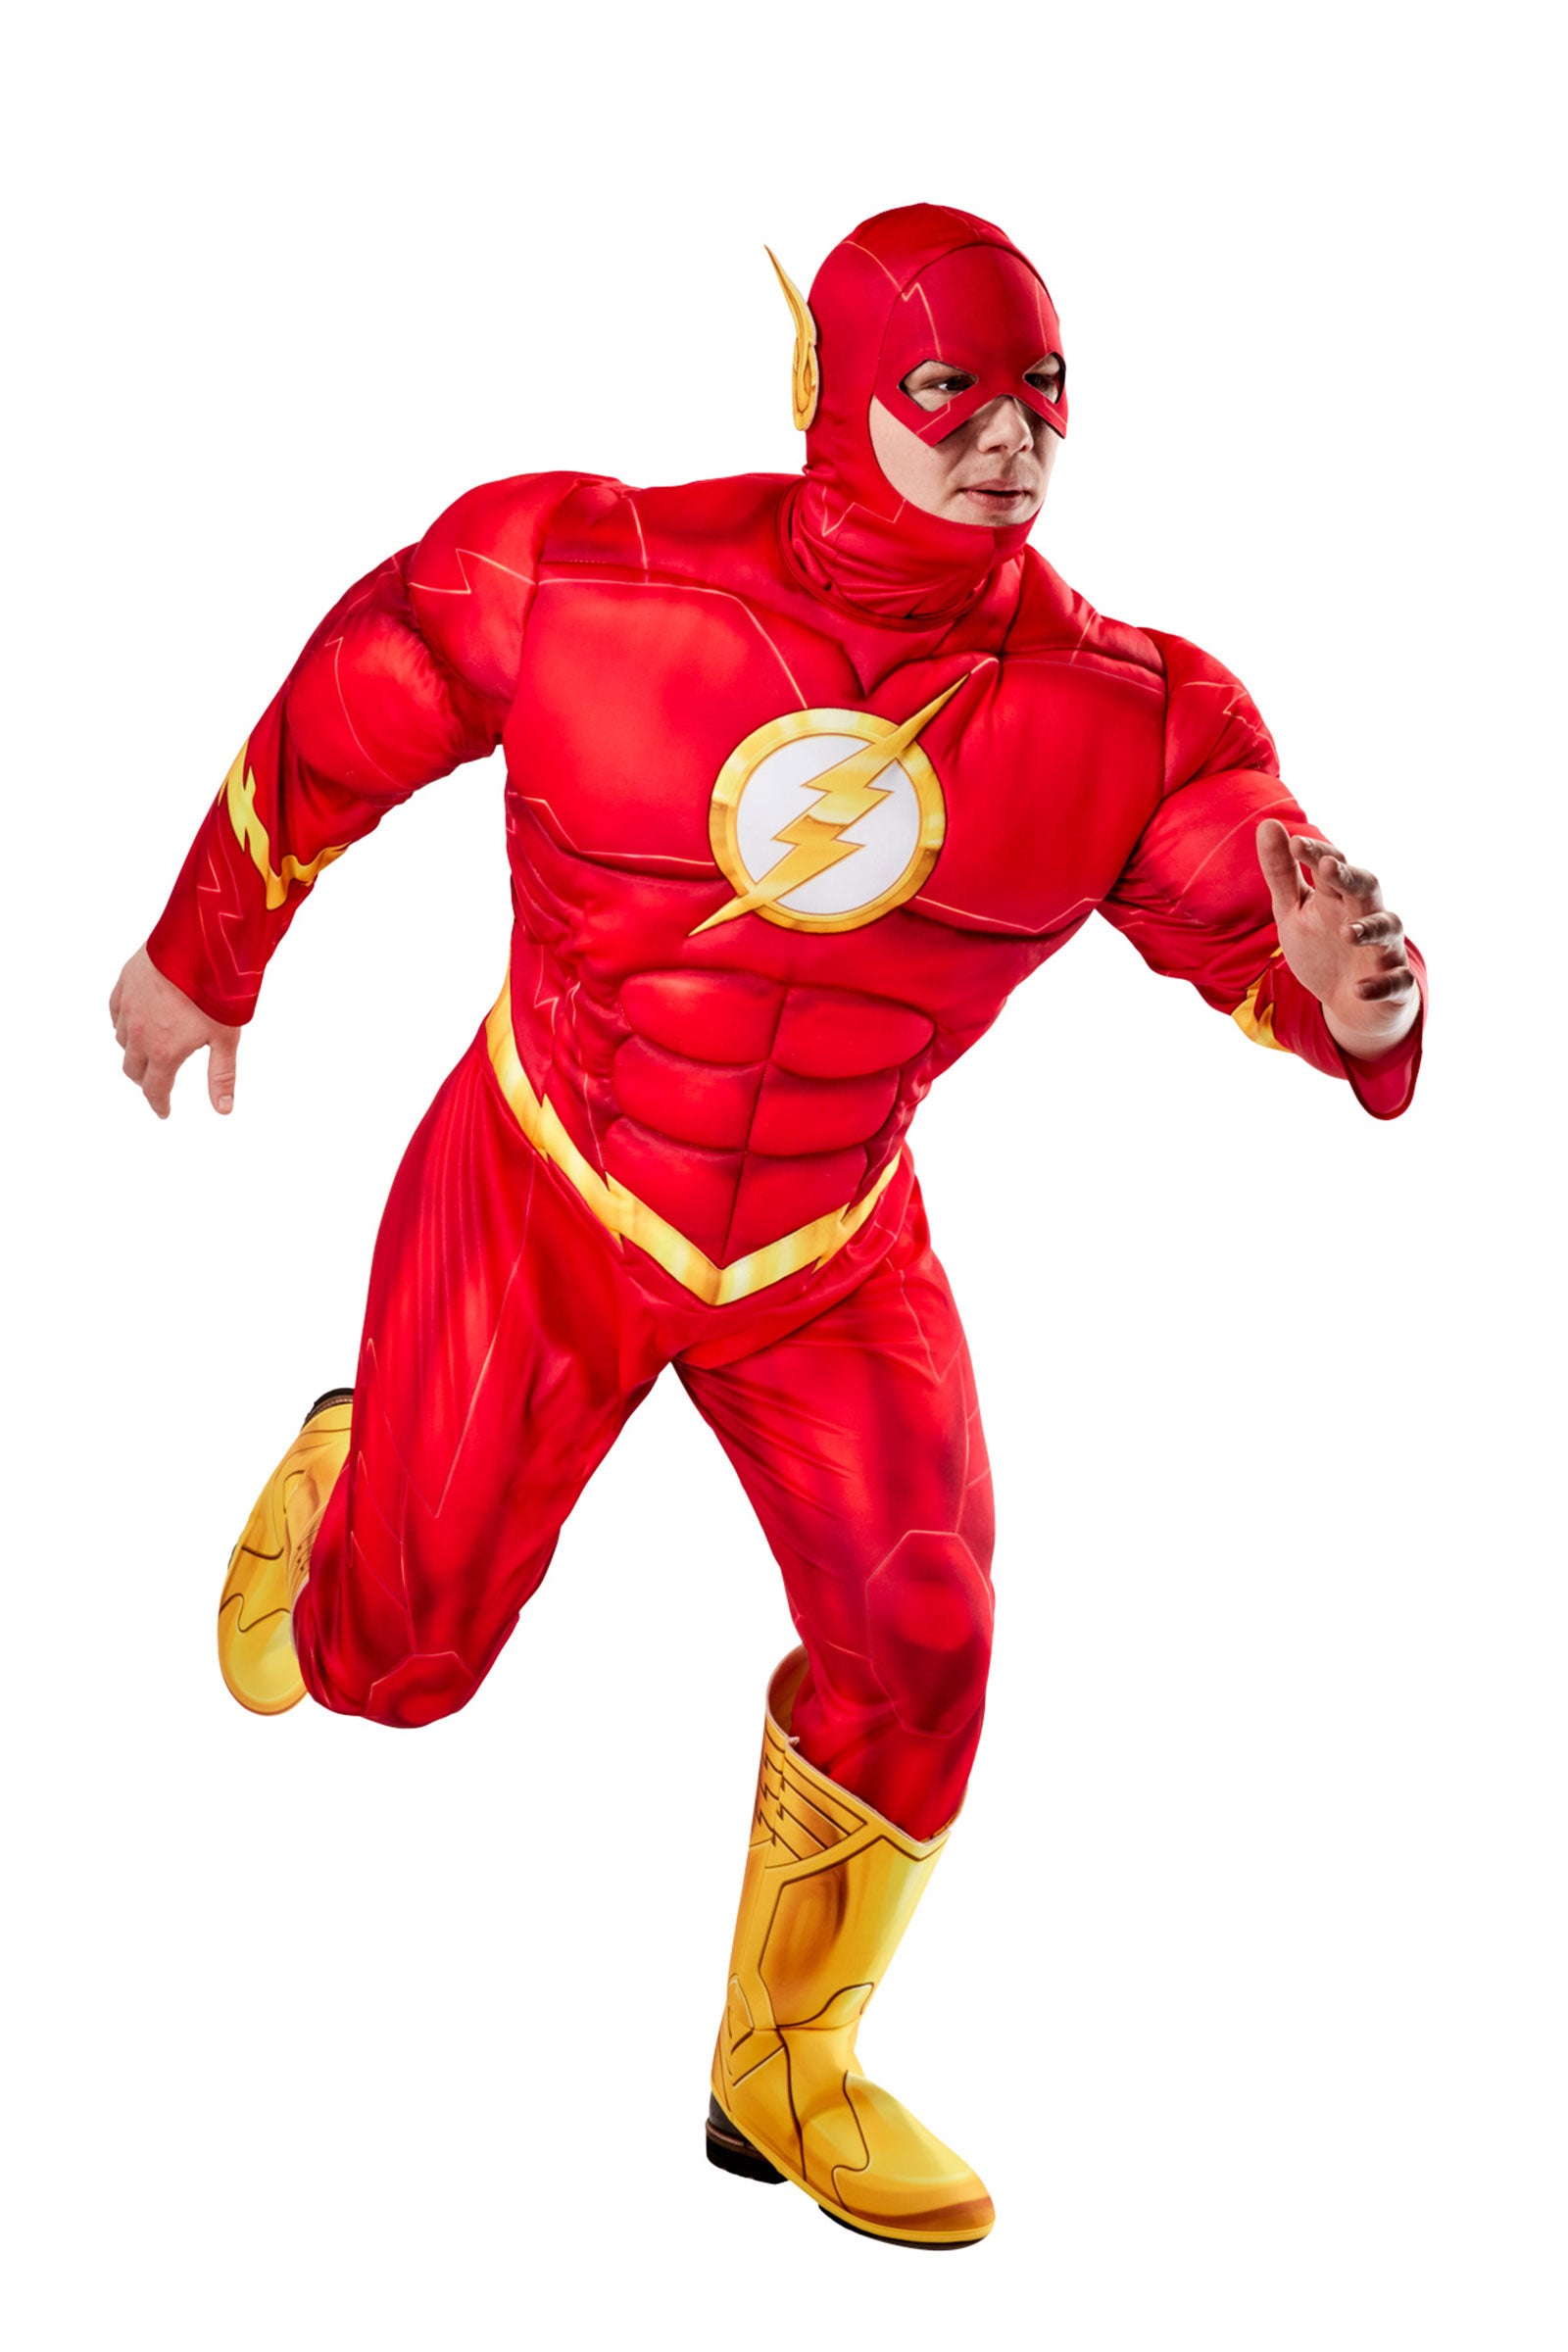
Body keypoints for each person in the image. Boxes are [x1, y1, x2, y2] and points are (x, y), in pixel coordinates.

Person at [108, 204, 1425, 2249]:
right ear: (830, 388)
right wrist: (209, 947)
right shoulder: (586, 572)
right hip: (546, 1185)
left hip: (824, 1250)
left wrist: (1346, 994)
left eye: (1043, 393)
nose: (1008, 436)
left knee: (927, 1625)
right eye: (949, 389)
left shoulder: (1130, 708)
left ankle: (786, 2061)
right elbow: (362, 690)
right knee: (383, 1669)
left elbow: (1234, 886)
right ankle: (353, 1467)